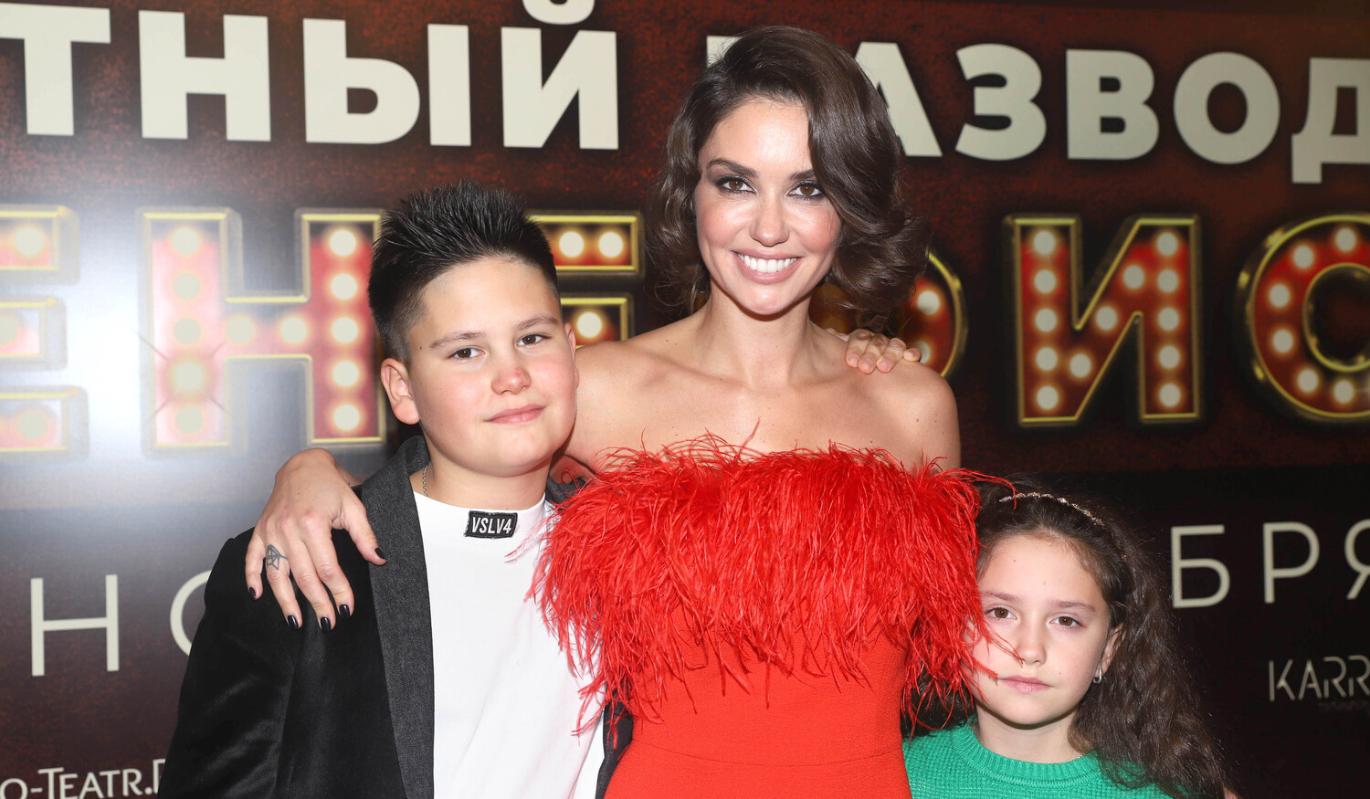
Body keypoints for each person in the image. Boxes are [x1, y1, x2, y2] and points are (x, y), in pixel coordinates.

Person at [247, 26, 978, 798]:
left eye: (809, 188)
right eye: (735, 183)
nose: (769, 226)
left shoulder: (913, 407)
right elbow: (446, 492)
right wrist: (310, 472)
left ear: (851, 205)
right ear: (691, 192)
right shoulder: (594, 390)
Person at [161, 182, 602, 798]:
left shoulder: (631, 551)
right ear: (402, 389)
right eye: (466, 352)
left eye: (532, 338)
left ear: (573, 353)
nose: (512, 376)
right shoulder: (299, 566)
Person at [903, 482, 1232, 799]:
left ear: (1109, 649)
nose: (1030, 650)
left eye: (1066, 621)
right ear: (952, 624)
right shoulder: (897, 777)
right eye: (1000, 613)